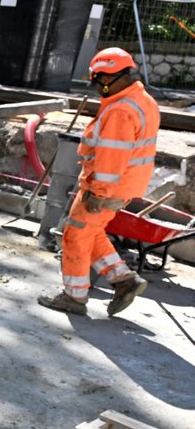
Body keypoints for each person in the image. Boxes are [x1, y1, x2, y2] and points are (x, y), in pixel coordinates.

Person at [38, 47, 159, 316]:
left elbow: (112, 156)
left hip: (106, 187)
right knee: (89, 233)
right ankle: (123, 280)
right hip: (124, 185)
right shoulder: (142, 100)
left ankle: (74, 296)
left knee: (74, 235)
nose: (98, 88)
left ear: (107, 78)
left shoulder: (120, 111)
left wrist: (98, 192)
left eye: (99, 82)